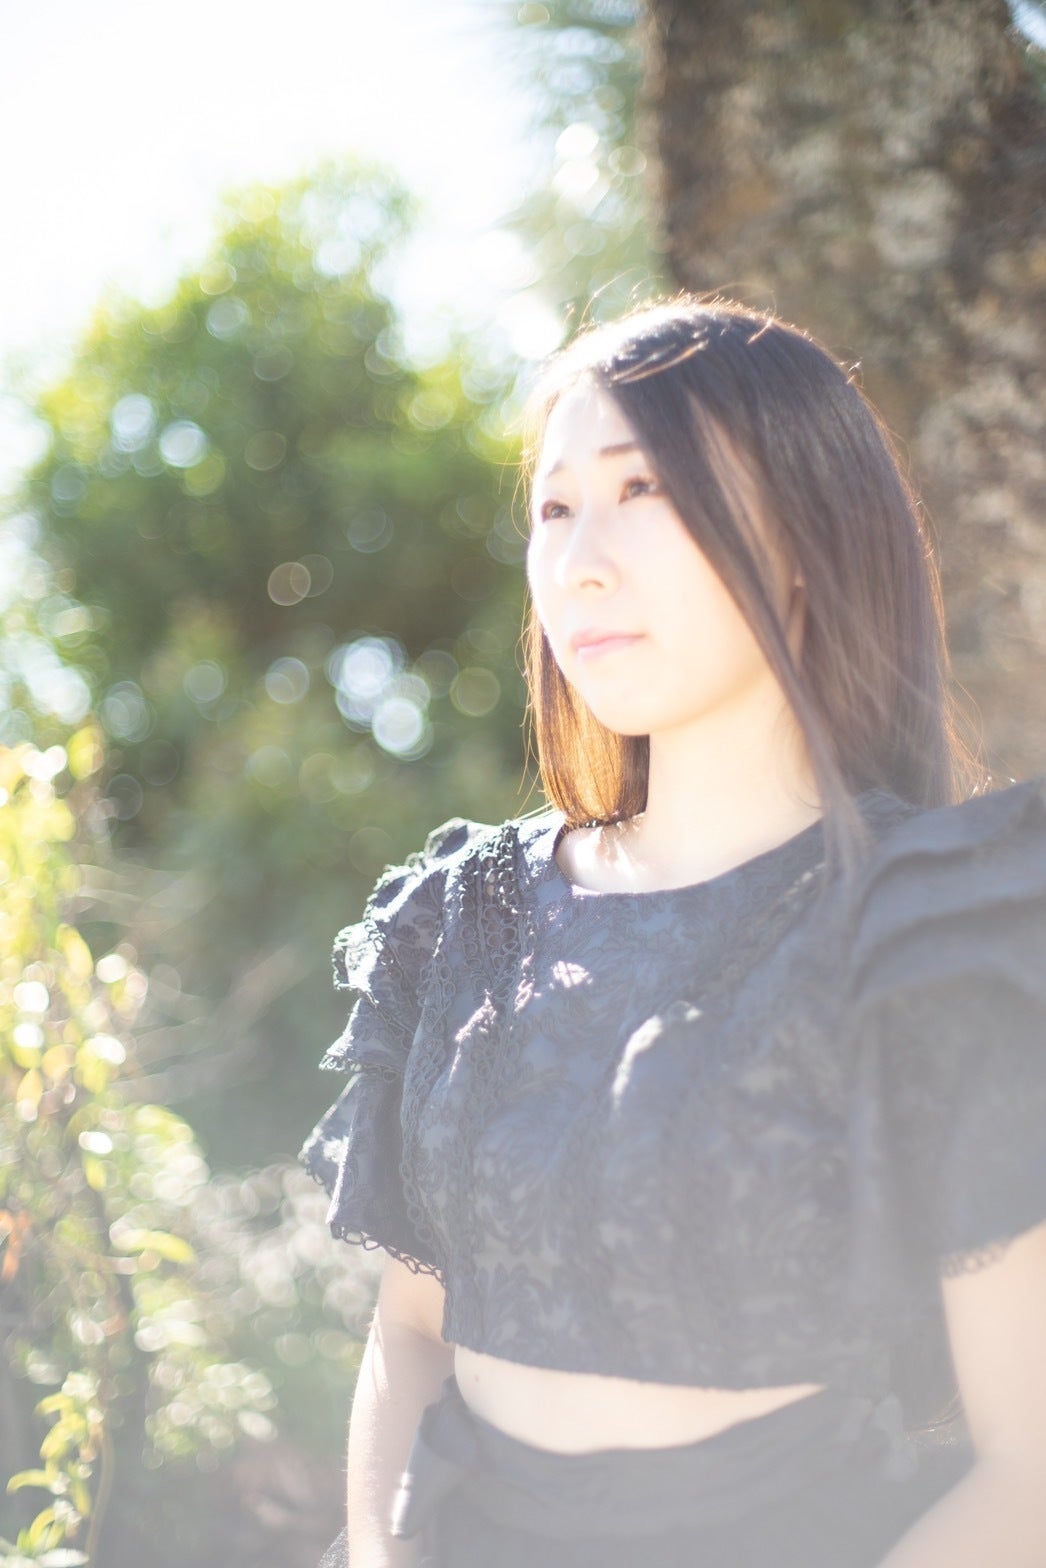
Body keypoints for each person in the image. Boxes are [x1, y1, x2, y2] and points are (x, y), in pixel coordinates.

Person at [301, 297, 1046, 1568]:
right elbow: (412, 1332)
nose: (579, 560)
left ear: (805, 527)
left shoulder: (933, 922)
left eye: (641, 488)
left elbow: (1026, 1473)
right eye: (553, 507)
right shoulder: (466, 913)